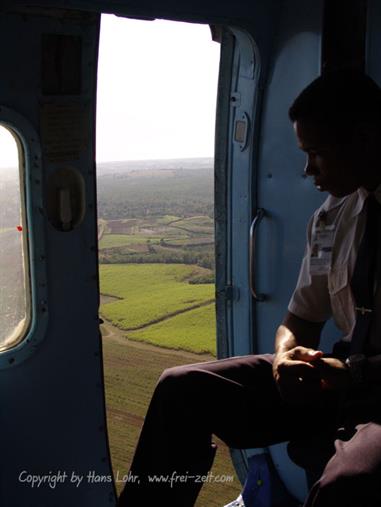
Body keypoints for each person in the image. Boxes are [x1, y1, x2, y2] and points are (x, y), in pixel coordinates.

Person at [118, 70, 381, 507]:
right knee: (181, 389)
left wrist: (352, 374)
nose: (308, 169)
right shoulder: (333, 218)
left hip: (368, 389)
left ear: (366, 136)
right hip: (339, 378)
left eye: (317, 153)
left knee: (346, 488)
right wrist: (284, 356)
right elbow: (300, 318)